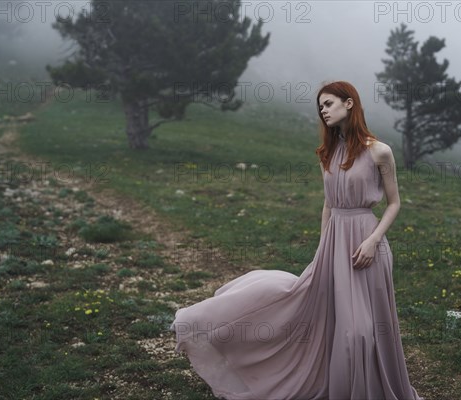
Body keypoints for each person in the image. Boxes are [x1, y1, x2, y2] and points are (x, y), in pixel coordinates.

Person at [171, 81, 423, 400]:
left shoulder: (380, 151)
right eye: (320, 106)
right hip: (335, 243)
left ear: (349, 104)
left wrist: (374, 240)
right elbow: (328, 205)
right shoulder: (327, 153)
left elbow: (395, 202)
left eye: (329, 103)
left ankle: (371, 387)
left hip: (368, 244)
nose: (323, 110)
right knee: (333, 324)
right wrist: (323, 248)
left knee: (363, 331)